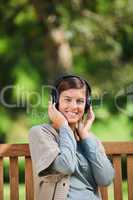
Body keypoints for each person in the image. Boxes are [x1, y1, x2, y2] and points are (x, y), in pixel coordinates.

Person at [29, 74, 115, 200]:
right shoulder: (40, 133)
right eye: (67, 100)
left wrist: (84, 135)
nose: (74, 106)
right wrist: (64, 126)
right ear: (55, 102)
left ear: (87, 105)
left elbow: (106, 179)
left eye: (80, 101)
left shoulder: (89, 139)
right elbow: (66, 166)